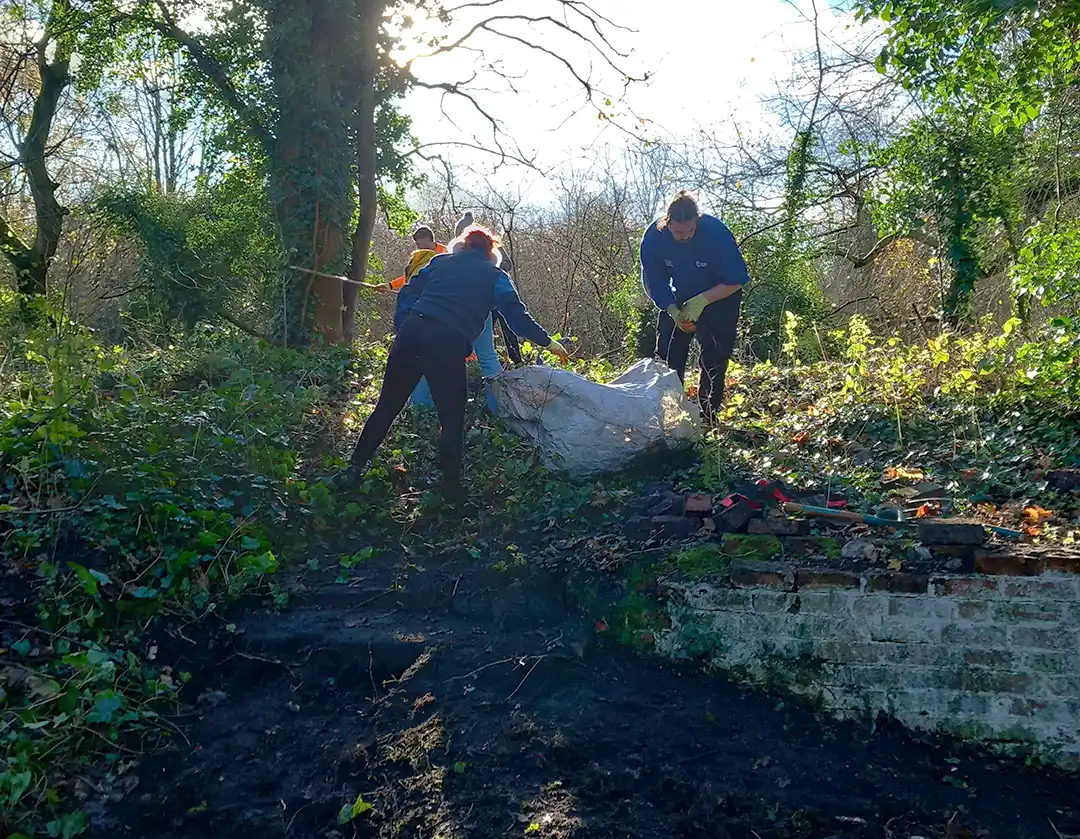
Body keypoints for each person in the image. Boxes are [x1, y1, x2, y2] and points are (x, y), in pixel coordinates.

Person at [344, 226, 568, 501]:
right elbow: (516, 317)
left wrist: (404, 328)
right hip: (446, 344)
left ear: (462, 246)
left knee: (387, 407)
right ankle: (451, 492)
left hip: (411, 334)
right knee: (451, 421)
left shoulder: (440, 262)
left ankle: (354, 469)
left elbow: (407, 294)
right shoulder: (495, 276)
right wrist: (548, 342)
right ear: (490, 254)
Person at [640, 190, 751, 425]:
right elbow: (654, 282)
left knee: (714, 356)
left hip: (719, 296)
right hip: (678, 296)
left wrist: (702, 301)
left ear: (697, 222)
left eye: (690, 230)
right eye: (679, 232)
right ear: (667, 223)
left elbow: (737, 279)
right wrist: (672, 309)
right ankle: (669, 414)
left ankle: (707, 415)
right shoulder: (653, 239)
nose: (685, 236)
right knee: (668, 354)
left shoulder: (715, 233)